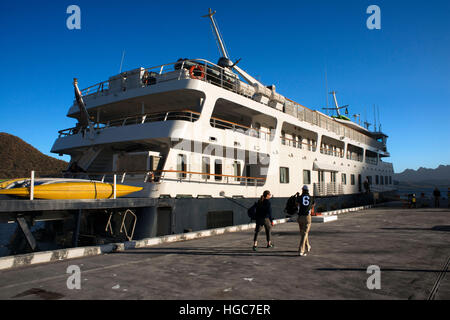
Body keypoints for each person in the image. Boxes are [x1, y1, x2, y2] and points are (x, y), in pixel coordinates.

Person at [297, 185, 314, 256]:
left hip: (300, 216)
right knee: (304, 233)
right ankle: (301, 250)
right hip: (307, 217)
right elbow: (313, 205)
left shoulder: (300, 197)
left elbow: (297, 205)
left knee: (303, 233)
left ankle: (308, 246)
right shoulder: (311, 197)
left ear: (302, 190)